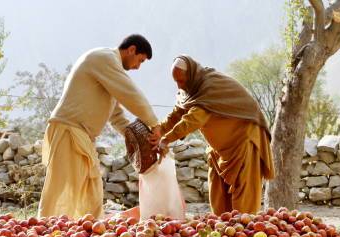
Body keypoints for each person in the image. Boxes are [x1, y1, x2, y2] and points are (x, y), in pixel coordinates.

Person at [38, 34, 161, 219]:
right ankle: (45, 232)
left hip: (81, 136)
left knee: (91, 192)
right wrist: (154, 123)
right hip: (68, 130)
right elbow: (130, 93)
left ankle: (86, 236)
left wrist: (138, 137)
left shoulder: (109, 70)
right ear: (132, 50)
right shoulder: (104, 58)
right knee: (61, 192)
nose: (137, 67)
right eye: (140, 60)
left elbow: (116, 115)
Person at [152, 55, 275, 215]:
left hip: (244, 143)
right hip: (220, 150)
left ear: (191, 76)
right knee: (219, 200)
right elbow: (177, 114)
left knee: (243, 206)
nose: (179, 86)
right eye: (176, 81)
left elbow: (193, 119)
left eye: (181, 81)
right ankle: (223, 232)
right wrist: (158, 130)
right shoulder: (190, 90)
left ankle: (244, 236)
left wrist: (166, 140)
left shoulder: (209, 89)